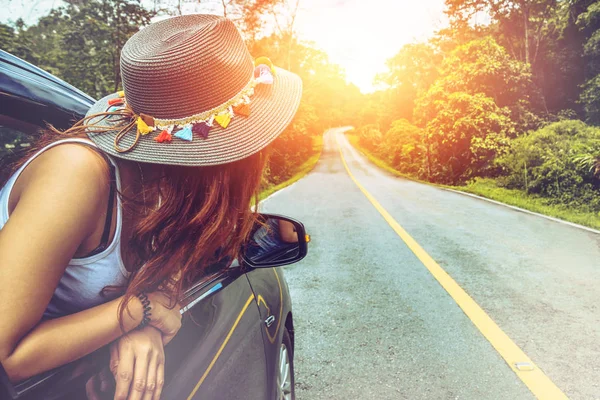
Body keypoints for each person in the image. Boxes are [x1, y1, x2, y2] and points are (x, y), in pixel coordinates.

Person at [0, 14, 301, 400]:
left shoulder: (169, 186)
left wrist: (143, 321)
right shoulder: (77, 173)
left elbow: (175, 263)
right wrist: (139, 312)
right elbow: (9, 354)